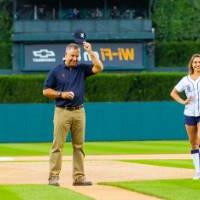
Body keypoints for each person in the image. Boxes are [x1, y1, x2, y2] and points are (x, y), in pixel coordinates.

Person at [43, 42, 104, 186]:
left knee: (79, 146)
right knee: (57, 146)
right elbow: (46, 91)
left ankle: (79, 178)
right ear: (65, 55)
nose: (75, 59)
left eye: (77, 56)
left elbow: (99, 68)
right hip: (62, 112)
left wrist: (90, 52)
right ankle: (53, 177)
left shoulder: (81, 69)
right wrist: (61, 94)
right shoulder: (56, 71)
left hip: (79, 111)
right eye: (72, 56)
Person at [170, 53, 200, 179]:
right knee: (193, 143)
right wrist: (183, 101)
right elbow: (173, 93)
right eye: (195, 62)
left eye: (199, 62)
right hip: (189, 113)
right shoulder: (185, 80)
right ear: (191, 64)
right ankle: (198, 171)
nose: (197, 64)